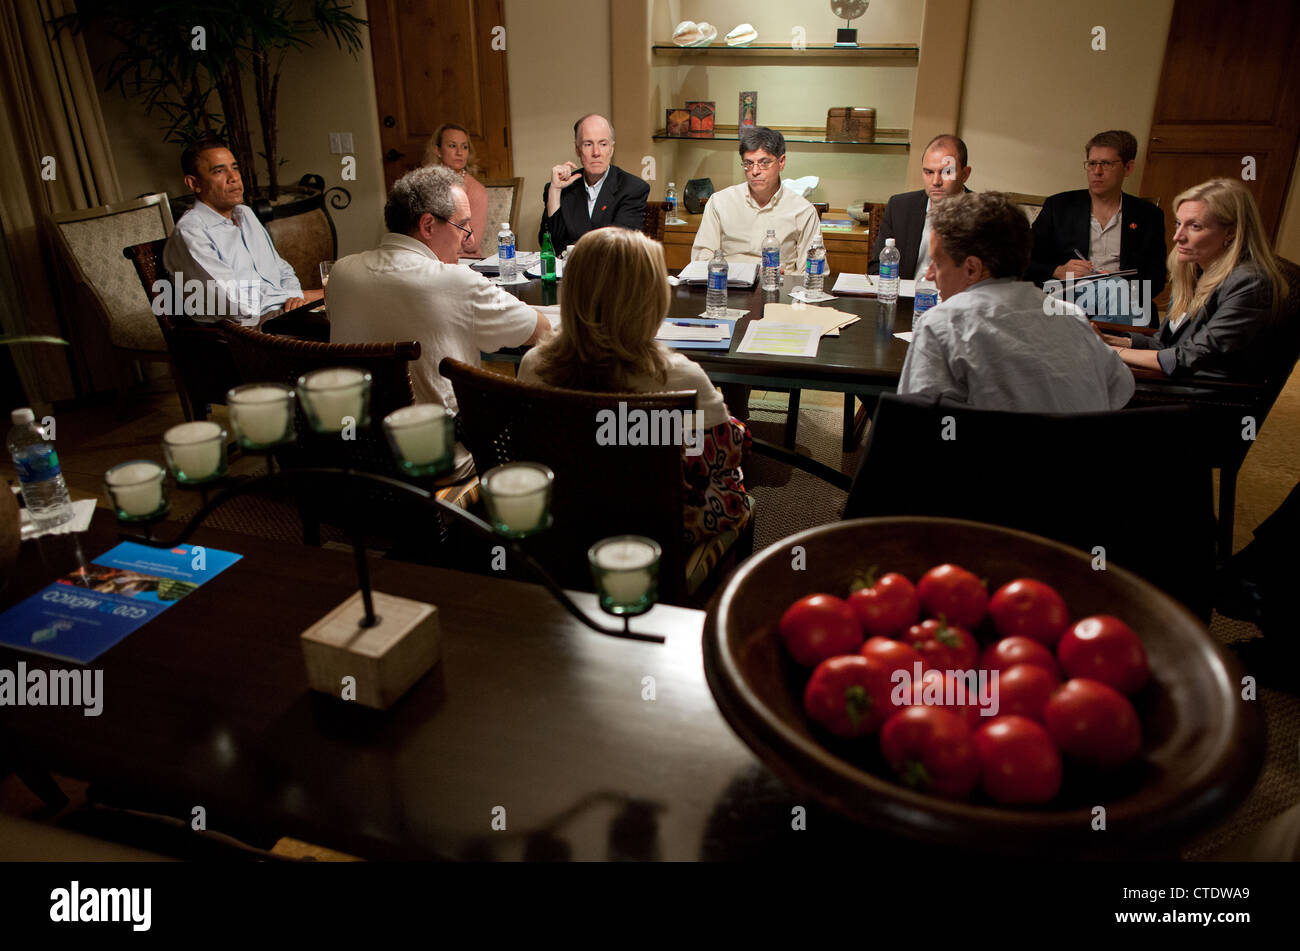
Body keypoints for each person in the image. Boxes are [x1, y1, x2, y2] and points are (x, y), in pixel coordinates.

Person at [518, 228, 752, 547]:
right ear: (651, 300)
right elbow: (718, 458)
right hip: (657, 531)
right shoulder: (682, 378)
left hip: (566, 522)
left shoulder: (533, 365)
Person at [327, 165, 550, 481]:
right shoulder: (455, 281)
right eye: (462, 226)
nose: (466, 240)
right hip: (443, 460)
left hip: (359, 459)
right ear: (428, 225)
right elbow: (541, 332)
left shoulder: (340, 274)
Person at [899, 192, 1135, 412]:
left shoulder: (942, 325)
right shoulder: (1073, 318)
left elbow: (916, 424)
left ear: (972, 269)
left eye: (937, 263)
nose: (929, 275)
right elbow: (1122, 387)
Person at [1097, 178, 1288, 380]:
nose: (1177, 236)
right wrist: (1106, 340)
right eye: (1178, 223)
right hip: (1172, 382)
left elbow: (1192, 357)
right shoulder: (1193, 271)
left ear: (1231, 233)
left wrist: (1112, 352)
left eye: (1195, 226)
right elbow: (1164, 344)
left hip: (1200, 398)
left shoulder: (1250, 283)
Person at [163, 138, 321, 322]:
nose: (234, 178)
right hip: (243, 329)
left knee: (352, 308)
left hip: (282, 311)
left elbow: (281, 268)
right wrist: (302, 296)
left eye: (235, 168)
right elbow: (234, 303)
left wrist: (296, 299)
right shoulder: (191, 232)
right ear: (193, 183)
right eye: (219, 171)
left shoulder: (244, 214)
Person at [1026, 130, 1167, 301]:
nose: (1097, 171)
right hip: (1068, 295)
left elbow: (1157, 277)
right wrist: (1058, 270)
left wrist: (1122, 287)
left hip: (1124, 299)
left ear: (1128, 167)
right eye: (1092, 163)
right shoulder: (1059, 206)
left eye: (1106, 164)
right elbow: (1025, 260)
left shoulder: (1148, 215)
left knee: (1119, 307)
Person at [691, 126, 820, 270]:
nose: (755, 171)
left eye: (764, 163)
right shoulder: (720, 202)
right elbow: (701, 257)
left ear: (781, 162)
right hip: (728, 285)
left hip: (778, 287)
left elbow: (812, 272)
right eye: (748, 163)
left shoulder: (803, 210)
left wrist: (788, 281)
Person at [869, 134, 971, 280]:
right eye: (929, 172)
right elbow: (876, 267)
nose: (936, 181)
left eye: (946, 172)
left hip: (958, 301)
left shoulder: (983, 215)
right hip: (905, 299)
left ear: (965, 174)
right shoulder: (899, 207)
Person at [539, 114, 649, 249]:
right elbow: (550, 246)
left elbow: (619, 247)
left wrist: (571, 245)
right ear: (577, 149)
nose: (596, 152)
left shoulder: (632, 188)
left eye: (603, 144)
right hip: (567, 269)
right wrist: (555, 191)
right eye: (588, 144)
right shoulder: (562, 187)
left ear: (611, 149)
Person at [423, 122, 488, 258]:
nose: (459, 152)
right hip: (427, 257)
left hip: (463, 260)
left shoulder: (476, 190)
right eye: (452, 146)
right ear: (437, 150)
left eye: (464, 147)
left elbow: (472, 243)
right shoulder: (424, 183)